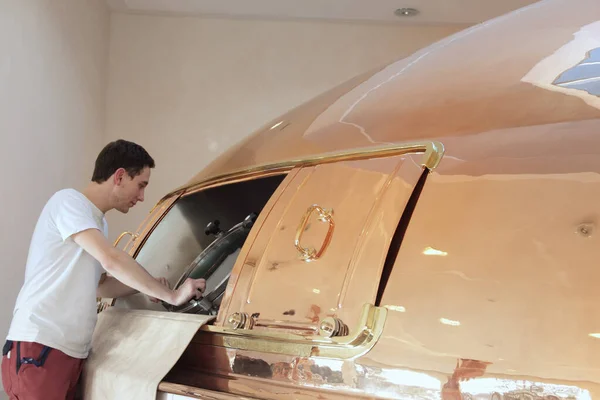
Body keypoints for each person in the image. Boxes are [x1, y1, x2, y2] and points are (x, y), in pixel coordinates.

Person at [1, 139, 206, 400]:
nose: (141, 196)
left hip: (68, 352)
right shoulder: (68, 202)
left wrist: (147, 285)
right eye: (141, 185)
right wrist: (173, 297)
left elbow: (99, 285)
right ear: (119, 176)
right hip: (41, 346)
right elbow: (110, 259)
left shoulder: (97, 223)